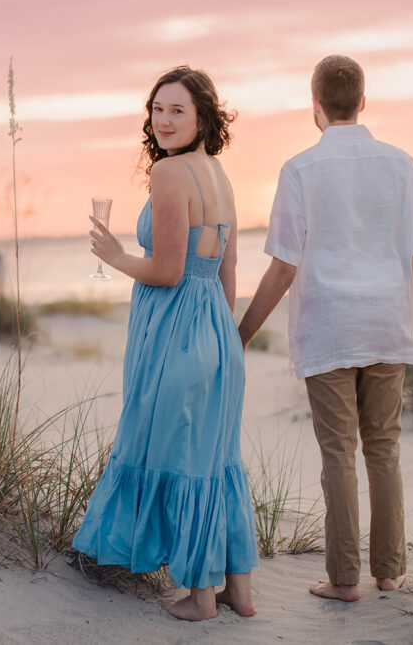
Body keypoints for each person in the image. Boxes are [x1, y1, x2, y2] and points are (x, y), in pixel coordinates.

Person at [237, 55, 413, 602]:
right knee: (384, 449)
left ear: (313, 107)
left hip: (329, 331)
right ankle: (389, 572)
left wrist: (241, 333)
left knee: (339, 453)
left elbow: (283, 267)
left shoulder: (299, 169)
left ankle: (344, 580)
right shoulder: (400, 164)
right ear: (364, 102)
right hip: (387, 326)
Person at [72, 66, 258, 621]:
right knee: (216, 462)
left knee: (182, 461)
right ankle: (238, 592)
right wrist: (223, 342)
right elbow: (227, 273)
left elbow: (168, 270)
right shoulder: (218, 174)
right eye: (158, 109)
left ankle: (201, 598)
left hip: (177, 334)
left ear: (203, 117)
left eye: (178, 110)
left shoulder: (170, 174)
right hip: (216, 335)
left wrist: (114, 257)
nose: (164, 120)